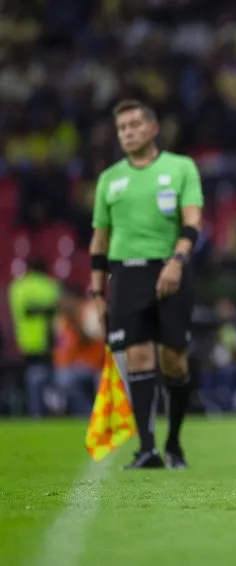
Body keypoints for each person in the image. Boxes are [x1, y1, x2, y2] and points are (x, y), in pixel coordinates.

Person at [88, 99, 204, 469]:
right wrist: (96, 292)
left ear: (153, 128)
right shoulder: (109, 179)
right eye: (122, 128)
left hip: (171, 270)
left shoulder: (181, 167)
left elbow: (193, 222)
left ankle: (174, 443)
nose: (128, 132)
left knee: (174, 361)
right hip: (126, 274)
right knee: (137, 356)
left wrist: (176, 261)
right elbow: (99, 242)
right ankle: (148, 448)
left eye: (135, 124)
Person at [7, 258, 61, 417]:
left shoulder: (17, 288)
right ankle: (54, 412)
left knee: (32, 381)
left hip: (25, 344)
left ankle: (34, 413)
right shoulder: (51, 286)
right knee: (48, 382)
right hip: (49, 344)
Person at [53, 285, 105, 417]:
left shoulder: (88, 311)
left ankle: (86, 413)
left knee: (64, 379)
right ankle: (81, 413)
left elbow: (91, 336)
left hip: (93, 364)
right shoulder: (62, 317)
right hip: (71, 366)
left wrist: (73, 319)